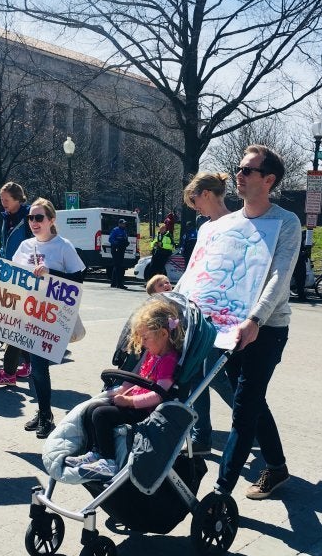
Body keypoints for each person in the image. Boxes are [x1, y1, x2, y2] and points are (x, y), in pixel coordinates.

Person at [179, 145, 300, 500]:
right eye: (239, 169)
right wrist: (179, 297)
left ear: (269, 180)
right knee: (252, 400)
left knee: (244, 408)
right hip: (225, 329)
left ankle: (220, 492)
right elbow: (204, 273)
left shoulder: (284, 222)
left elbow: (280, 277)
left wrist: (255, 319)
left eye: (248, 171)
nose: (240, 175)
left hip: (266, 329)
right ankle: (277, 468)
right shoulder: (225, 224)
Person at [65, 298, 184, 479]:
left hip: (146, 410)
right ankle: (96, 453)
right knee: (91, 410)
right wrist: (120, 390)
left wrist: (129, 401)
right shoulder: (152, 354)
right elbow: (136, 379)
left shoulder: (168, 360)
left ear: (163, 334)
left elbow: (159, 394)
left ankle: (108, 461)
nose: (143, 343)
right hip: (134, 403)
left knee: (101, 415)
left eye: (146, 338)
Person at [12, 198, 85, 439]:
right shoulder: (25, 246)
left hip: (50, 316)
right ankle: (42, 411)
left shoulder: (63, 246)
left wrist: (50, 273)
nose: (34, 222)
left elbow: (77, 281)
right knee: (34, 367)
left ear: (51, 220)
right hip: (27, 313)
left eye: (39, 217)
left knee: (40, 366)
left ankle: (46, 417)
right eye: (31, 218)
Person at [179, 171, 235, 453]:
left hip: (223, 313)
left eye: (195, 200)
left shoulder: (236, 224)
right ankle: (203, 435)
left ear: (208, 195)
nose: (195, 207)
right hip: (199, 311)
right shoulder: (205, 228)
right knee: (198, 374)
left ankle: (251, 421)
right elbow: (196, 267)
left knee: (210, 374)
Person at [0, 182, 34, 386]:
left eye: (6, 199)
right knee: (19, 325)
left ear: (17, 199)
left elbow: (34, 247)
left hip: (24, 277)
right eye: (1, 199)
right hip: (10, 275)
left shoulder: (30, 217)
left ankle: (8, 372)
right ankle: (27, 366)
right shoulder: (7, 218)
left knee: (15, 326)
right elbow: (6, 248)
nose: (2, 203)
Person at [108, 218, 129, 289]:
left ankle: (113, 283)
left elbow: (125, 239)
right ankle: (119, 284)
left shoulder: (124, 231)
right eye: (123, 223)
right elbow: (110, 239)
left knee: (116, 266)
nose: (124, 224)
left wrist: (126, 243)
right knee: (119, 267)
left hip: (121, 250)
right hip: (116, 249)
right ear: (119, 224)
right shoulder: (115, 230)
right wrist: (117, 243)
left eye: (124, 223)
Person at [292, 232, 309, 301]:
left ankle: (301, 294)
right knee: (300, 280)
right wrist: (305, 253)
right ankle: (301, 295)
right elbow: (299, 255)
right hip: (299, 264)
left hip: (298, 264)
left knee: (300, 281)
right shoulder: (299, 244)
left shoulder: (298, 242)